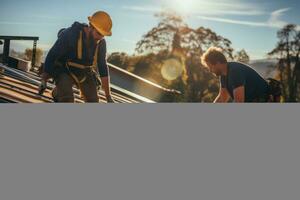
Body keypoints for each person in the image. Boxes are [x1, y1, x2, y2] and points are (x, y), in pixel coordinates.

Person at [39, 11, 114, 103]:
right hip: (64, 69)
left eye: (103, 35)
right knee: (67, 100)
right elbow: (53, 54)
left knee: (93, 101)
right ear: (91, 27)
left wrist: (108, 96)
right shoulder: (71, 33)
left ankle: (59, 91)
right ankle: (58, 93)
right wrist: (44, 80)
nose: (100, 37)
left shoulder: (101, 42)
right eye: (99, 33)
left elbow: (103, 67)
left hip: (84, 72)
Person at [201, 47, 279, 103]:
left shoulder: (234, 72)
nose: (210, 70)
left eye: (210, 67)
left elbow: (239, 102)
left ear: (217, 63)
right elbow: (222, 97)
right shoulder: (223, 75)